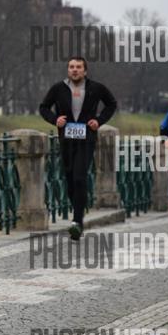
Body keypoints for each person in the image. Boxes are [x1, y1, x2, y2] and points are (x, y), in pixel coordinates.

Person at [39, 56, 117, 240]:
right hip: (66, 140)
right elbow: (43, 107)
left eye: (78, 67)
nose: (75, 70)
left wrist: (98, 121)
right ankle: (79, 209)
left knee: (80, 178)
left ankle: (77, 222)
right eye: (72, 67)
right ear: (68, 70)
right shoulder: (58, 88)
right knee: (70, 180)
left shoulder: (96, 88)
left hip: (86, 139)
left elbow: (111, 104)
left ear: (85, 70)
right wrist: (55, 120)